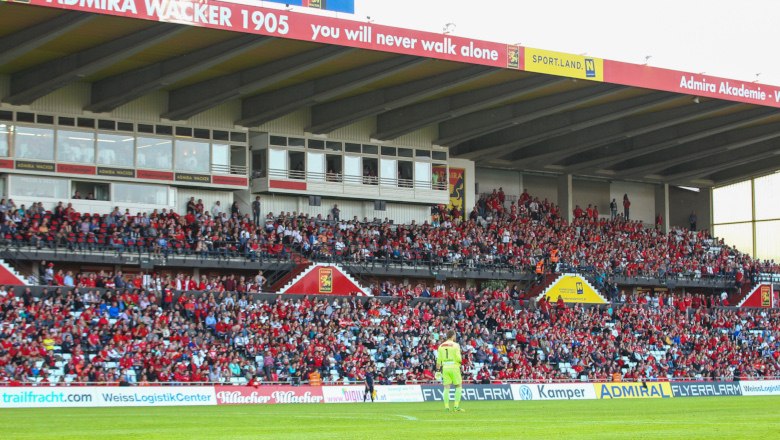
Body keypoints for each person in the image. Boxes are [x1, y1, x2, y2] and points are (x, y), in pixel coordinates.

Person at [436, 330, 464, 412]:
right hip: (454, 367)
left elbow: (438, 360)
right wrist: (460, 363)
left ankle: (446, 407)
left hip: (445, 368)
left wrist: (438, 370)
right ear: (453, 336)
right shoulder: (456, 345)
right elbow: (459, 358)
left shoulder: (441, 346)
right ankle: (456, 406)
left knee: (446, 387)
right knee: (458, 386)